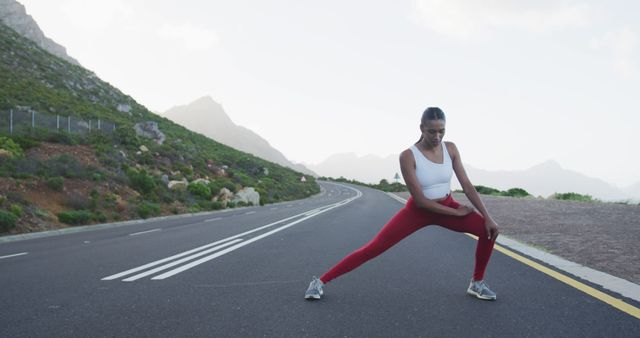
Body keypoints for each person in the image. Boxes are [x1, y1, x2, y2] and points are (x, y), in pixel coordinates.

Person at [305, 107, 500, 301]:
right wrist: (457, 213)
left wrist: (488, 217)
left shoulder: (450, 149)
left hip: (447, 204)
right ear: (421, 128)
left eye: (442, 131)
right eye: (432, 131)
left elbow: (466, 184)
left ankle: (477, 283)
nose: (437, 136)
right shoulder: (408, 156)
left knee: (488, 230)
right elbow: (421, 201)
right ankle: (320, 282)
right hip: (418, 211)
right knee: (374, 248)